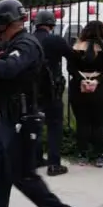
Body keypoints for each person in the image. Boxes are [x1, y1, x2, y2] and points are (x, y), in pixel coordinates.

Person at [0, 0, 82, 207]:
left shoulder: (26, 43)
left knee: (24, 177)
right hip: (9, 118)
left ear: (6, 22)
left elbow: (9, 69)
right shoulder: (14, 43)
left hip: (23, 119)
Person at [33, 10, 74, 175]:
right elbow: (72, 56)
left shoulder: (29, 39)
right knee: (54, 125)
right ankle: (54, 164)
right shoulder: (55, 40)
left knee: (34, 122)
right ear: (51, 24)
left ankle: (35, 158)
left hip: (32, 90)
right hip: (51, 90)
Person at [68, 20, 103, 167]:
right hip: (99, 88)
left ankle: (82, 154)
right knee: (99, 122)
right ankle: (100, 155)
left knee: (82, 121)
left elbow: (71, 68)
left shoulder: (76, 47)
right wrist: (96, 80)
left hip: (78, 87)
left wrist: (83, 79)